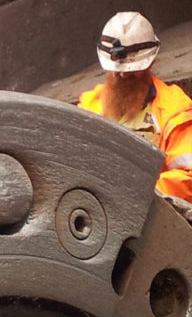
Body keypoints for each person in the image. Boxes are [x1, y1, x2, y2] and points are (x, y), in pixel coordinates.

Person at [77, 11, 192, 202]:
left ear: (151, 62)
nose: (122, 75)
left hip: (155, 216)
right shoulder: (90, 105)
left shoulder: (175, 109)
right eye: (116, 71)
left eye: (131, 71)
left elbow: (187, 178)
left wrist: (132, 193)